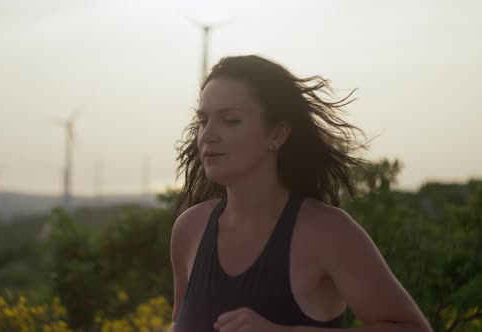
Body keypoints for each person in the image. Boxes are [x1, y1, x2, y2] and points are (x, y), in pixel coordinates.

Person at [168, 55, 432, 332]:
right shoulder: (190, 229)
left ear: (278, 134)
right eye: (203, 120)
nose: (208, 135)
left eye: (230, 120)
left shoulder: (328, 232)